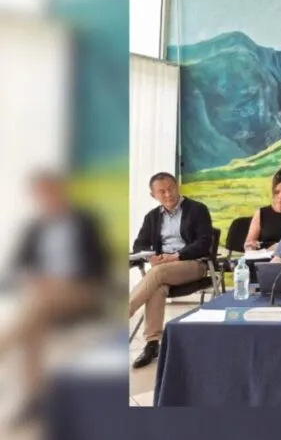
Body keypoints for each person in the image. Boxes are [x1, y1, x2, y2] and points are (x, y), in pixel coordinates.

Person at [0, 171, 108, 419]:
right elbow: (16, 267)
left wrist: (65, 279)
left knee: (34, 308)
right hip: (42, 297)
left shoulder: (85, 222)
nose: (47, 198)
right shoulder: (33, 229)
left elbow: (100, 264)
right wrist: (33, 278)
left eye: (51, 191)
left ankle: (33, 396)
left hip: (82, 290)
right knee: (33, 321)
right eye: (41, 194)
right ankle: (35, 398)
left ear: (62, 191)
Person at [129, 172, 213, 369]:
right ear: (153, 195)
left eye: (171, 189)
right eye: (162, 191)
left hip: (193, 264)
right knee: (157, 287)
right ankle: (152, 344)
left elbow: (204, 243)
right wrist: (151, 257)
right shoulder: (152, 217)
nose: (168, 194)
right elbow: (139, 244)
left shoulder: (197, 210)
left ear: (177, 187)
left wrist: (175, 256)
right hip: (164, 270)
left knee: (157, 274)